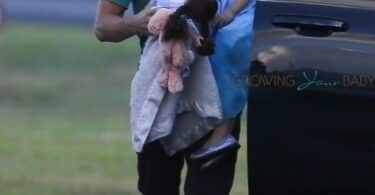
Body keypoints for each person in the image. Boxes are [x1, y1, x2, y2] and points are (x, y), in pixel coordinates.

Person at [95, 0, 243, 195]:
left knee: (210, 188)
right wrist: (134, 23)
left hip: (219, 95)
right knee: (156, 186)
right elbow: (103, 26)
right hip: (158, 92)